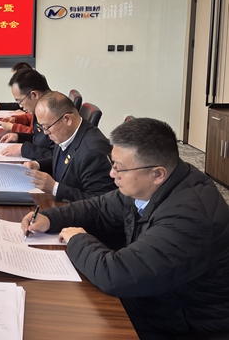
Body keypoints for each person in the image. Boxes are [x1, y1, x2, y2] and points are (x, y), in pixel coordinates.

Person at [22, 118, 229, 340]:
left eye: (120, 168)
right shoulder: (150, 185)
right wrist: (50, 218)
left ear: (158, 174)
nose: (112, 174)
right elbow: (98, 207)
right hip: (156, 301)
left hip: (182, 326)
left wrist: (78, 239)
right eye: (112, 163)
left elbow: (117, 276)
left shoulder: (189, 217)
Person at [22, 91, 114, 201]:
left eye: (47, 127)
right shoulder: (65, 132)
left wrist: (55, 188)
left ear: (67, 119)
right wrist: (38, 165)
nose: (45, 132)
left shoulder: (93, 152)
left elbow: (101, 202)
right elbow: (65, 163)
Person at [0, 69, 55, 161]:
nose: (20, 106)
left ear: (34, 95)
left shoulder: (55, 113)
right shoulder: (39, 109)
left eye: (20, 101)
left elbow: (56, 157)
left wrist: (24, 149)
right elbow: (39, 140)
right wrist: (19, 137)